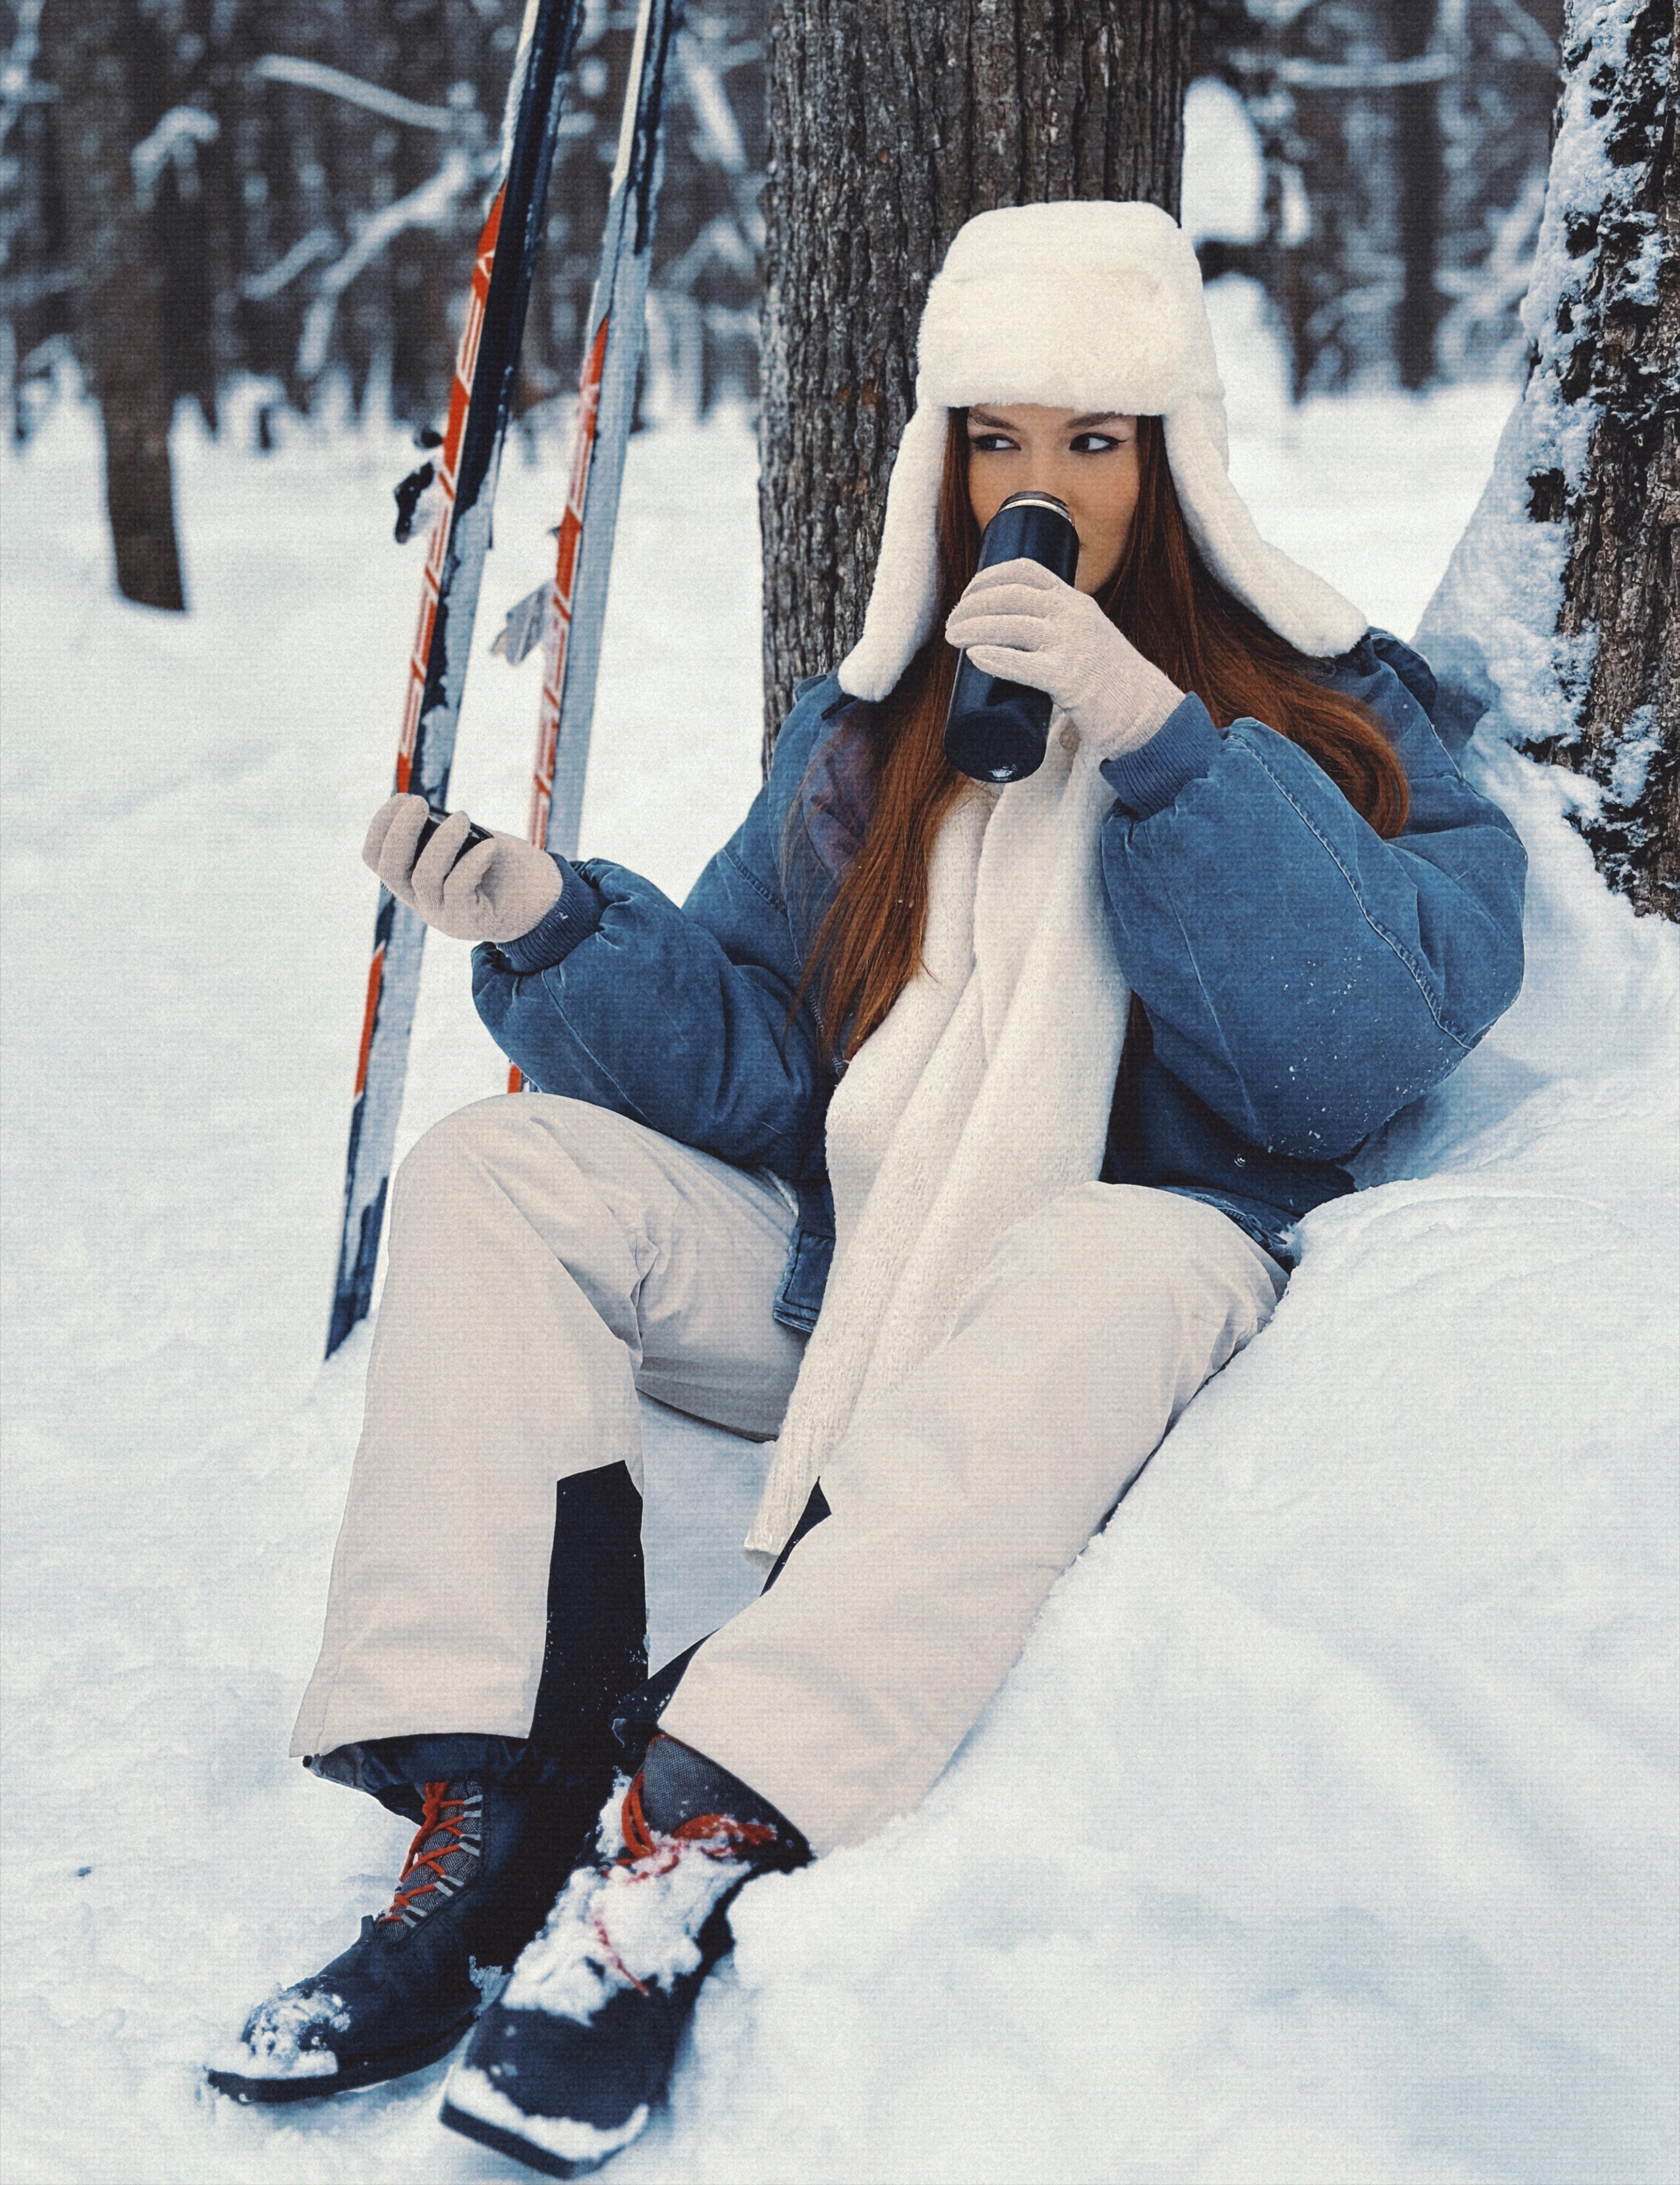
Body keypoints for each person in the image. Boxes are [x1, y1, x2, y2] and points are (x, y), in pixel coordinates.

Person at [207, 202, 1526, 2175]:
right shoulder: (879, 729)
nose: (1046, 487)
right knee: (500, 1171)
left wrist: (1158, 738)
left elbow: (1348, 1052)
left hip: (1132, 1281)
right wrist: (557, 927)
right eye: (1004, 439)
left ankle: (692, 1832)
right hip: (857, 1267)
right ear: (944, 459)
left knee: (1112, 1261)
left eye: (1098, 439)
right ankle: (489, 1795)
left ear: (1177, 454)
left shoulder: (1343, 702)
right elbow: (756, 1056)